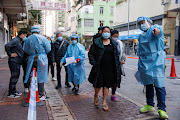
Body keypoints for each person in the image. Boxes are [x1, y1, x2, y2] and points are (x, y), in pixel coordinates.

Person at [137, 16, 168, 119]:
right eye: (140, 23)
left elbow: (159, 31)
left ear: (149, 22)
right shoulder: (141, 36)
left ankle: (162, 109)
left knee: (159, 85)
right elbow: (140, 50)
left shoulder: (153, 29)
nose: (142, 24)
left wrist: (157, 31)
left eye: (143, 22)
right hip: (145, 63)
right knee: (148, 85)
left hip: (157, 62)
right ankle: (150, 105)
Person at [88, 26, 121, 111]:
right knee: (98, 85)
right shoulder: (97, 42)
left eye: (108, 32)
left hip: (110, 68)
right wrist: (94, 63)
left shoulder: (114, 43)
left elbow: (116, 55)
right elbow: (91, 54)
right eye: (105, 31)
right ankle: (96, 95)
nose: (107, 33)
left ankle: (104, 102)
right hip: (99, 68)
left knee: (107, 86)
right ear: (101, 33)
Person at [23, 26, 51, 100]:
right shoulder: (43, 38)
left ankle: (31, 92)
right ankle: (40, 94)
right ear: (39, 31)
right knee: (41, 76)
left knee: (31, 75)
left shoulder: (28, 39)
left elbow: (25, 49)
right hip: (42, 59)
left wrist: (32, 54)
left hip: (32, 59)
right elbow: (48, 49)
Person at [5, 30, 27, 98]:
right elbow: (7, 45)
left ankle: (14, 91)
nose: (25, 36)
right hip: (14, 61)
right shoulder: (16, 40)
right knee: (14, 76)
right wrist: (10, 54)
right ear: (22, 34)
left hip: (17, 61)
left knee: (16, 76)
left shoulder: (19, 40)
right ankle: (11, 93)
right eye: (25, 35)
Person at [110, 29, 126, 101]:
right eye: (114, 36)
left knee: (116, 81)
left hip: (117, 65)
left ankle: (113, 94)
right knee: (108, 81)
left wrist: (123, 59)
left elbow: (123, 53)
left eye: (117, 36)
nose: (115, 38)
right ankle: (105, 95)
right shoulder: (108, 43)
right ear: (111, 36)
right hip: (109, 65)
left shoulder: (120, 43)